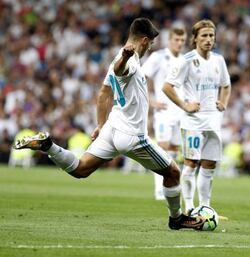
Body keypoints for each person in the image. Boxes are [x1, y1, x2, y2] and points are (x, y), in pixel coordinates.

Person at [14, 18, 205, 230]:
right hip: (132, 136)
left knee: (80, 169)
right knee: (173, 173)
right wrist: (124, 58)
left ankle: (49, 146)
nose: (150, 47)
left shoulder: (122, 58)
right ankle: (176, 218)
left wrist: (100, 125)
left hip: (112, 128)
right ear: (144, 40)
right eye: (150, 43)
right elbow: (119, 70)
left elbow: (104, 93)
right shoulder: (128, 61)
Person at [163, 19, 231, 214]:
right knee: (191, 163)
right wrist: (184, 105)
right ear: (195, 39)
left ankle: (205, 206)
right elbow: (167, 86)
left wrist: (223, 102)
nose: (208, 39)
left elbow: (226, 85)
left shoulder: (219, 60)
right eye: (204, 36)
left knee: (209, 164)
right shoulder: (187, 61)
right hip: (193, 121)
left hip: (213, 120)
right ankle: (189, 206)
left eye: (211, 36)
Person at [142, 27, 187, 200]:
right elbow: (141, 78)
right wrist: (150, 100)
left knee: (175, 150)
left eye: (182, 40)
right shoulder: (158, 57)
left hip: (180, 112)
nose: (179, 43)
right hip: (164, 111)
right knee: (162, 149)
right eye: (176, 39)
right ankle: (159, 190)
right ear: (169, 40)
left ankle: (172, 185)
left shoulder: (184, 59)